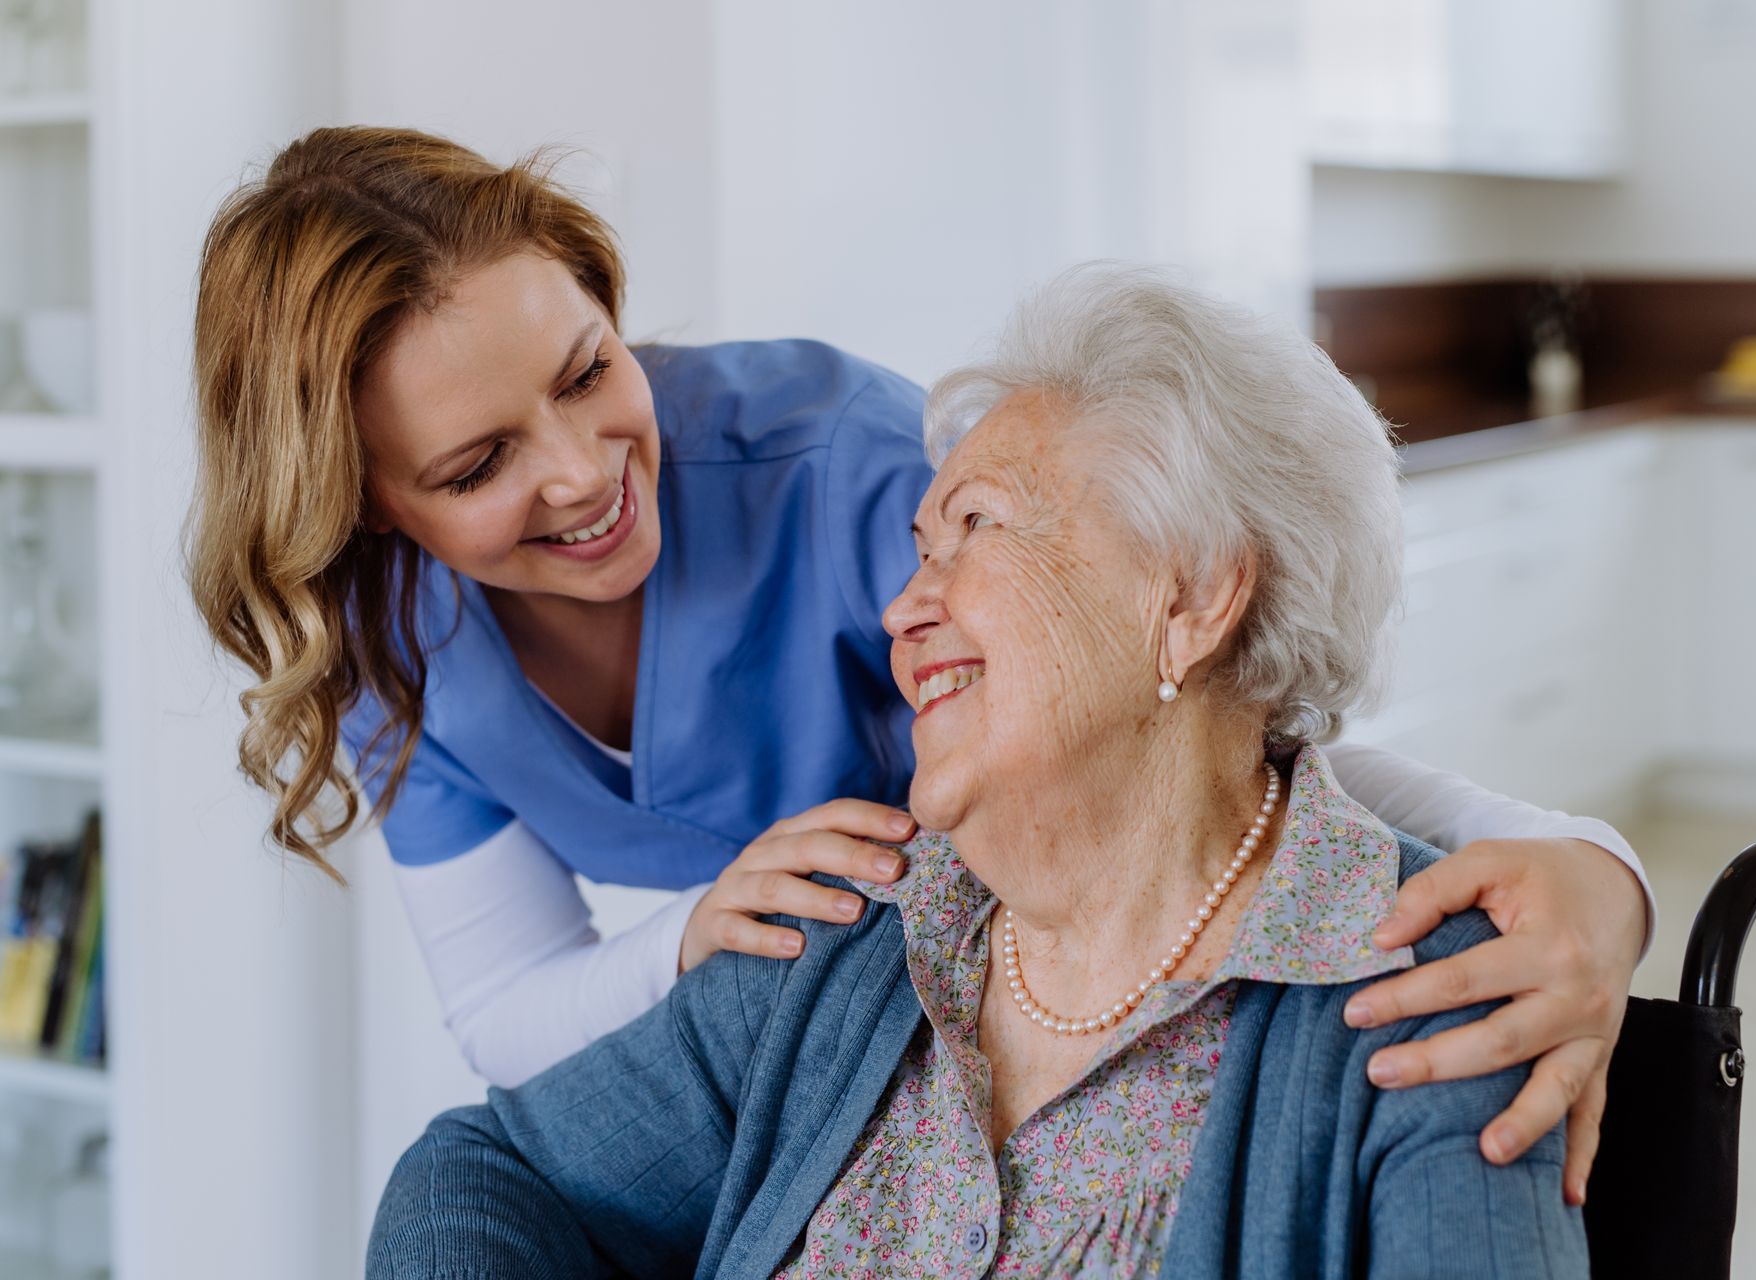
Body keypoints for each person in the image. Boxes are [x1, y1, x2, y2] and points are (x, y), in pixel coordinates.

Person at [188, 127, 1648, 1198]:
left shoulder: (843, 469)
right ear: (369, 502)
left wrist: (1565, 854)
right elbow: (511, 1011)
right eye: (479, 462)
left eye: (588, 371)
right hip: (829, 1029)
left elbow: (1198, 719)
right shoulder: (387, 636)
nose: (583, 474)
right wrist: (695, 936)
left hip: (1081, 1001)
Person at [369, 267, 1590, 1277]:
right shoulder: (844, 942)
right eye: (917, 542)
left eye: (976, 528)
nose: (899, 607)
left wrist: (1596, 868)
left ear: (1193, 594)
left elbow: (1262, 779)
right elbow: (477, 1171)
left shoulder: (1430, 1012)